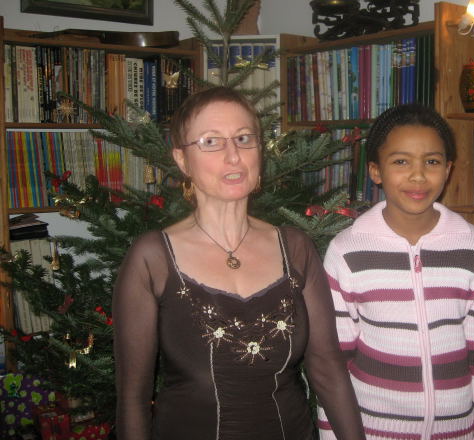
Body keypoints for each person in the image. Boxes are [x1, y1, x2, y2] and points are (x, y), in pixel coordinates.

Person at [113, 86, 366, 440]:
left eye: (244, 138)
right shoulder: (152, 259)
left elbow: (327, 369)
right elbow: (133, 399)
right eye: (211, 142)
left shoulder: (296, 248)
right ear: (182, 160)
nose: (233, 156)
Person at [317, 104, 474, 440]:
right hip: (370, 431)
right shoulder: (347, 251)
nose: (418, 176)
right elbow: (334, 364)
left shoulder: (473, 248)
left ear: (447, 169)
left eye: (431, 162)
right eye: (401, 162)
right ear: (376, 171)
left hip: (456, 431)